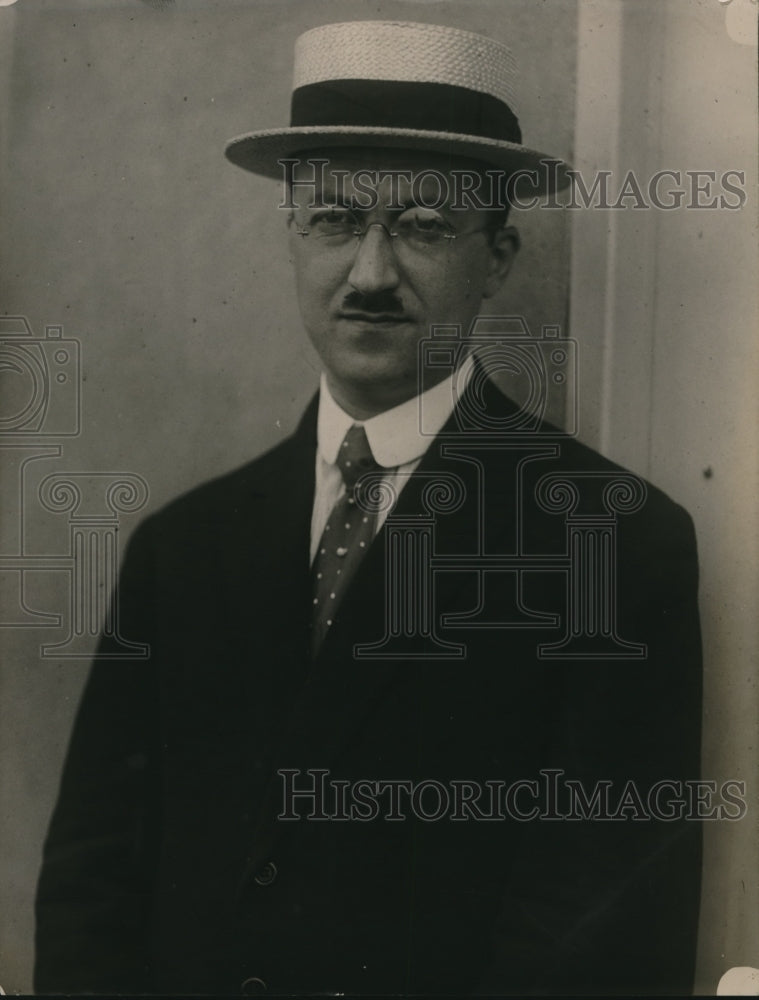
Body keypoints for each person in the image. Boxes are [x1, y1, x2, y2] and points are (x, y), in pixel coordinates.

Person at [34, 20, 702, 996]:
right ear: (292, 234)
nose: (372, 275)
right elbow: (90, 892)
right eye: (336, 219)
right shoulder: (178, 550)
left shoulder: (613, 542)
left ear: (499, 255)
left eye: (425, 226)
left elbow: (604, 943)